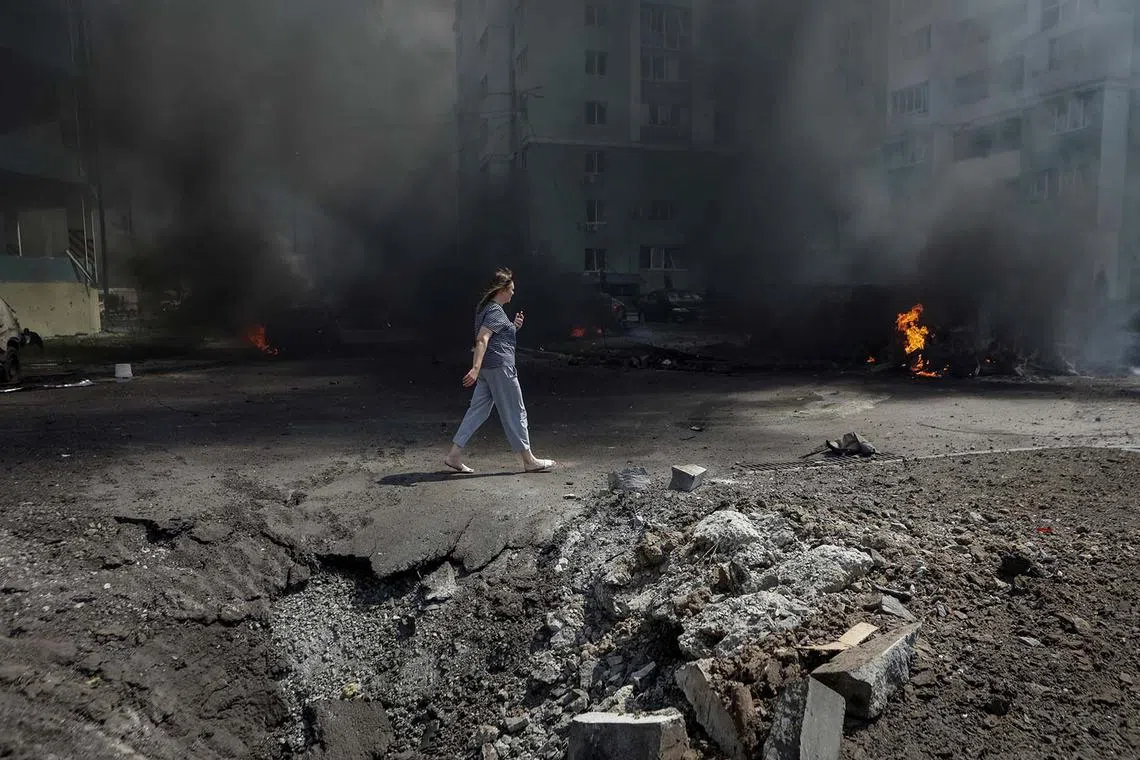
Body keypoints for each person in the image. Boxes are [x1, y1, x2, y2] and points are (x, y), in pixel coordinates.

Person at [444, 268, 556, 474]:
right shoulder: (495, 310)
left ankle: (453, 455)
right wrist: (475, 368)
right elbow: (483, 338)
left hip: (489, 369)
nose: (513, 293)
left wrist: (513, 326)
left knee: (477, 411)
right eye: (511, 289)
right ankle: (529, 460)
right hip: (499, 368)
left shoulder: (484, 308)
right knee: (516, 410)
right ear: (501, 290)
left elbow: (494, 336)